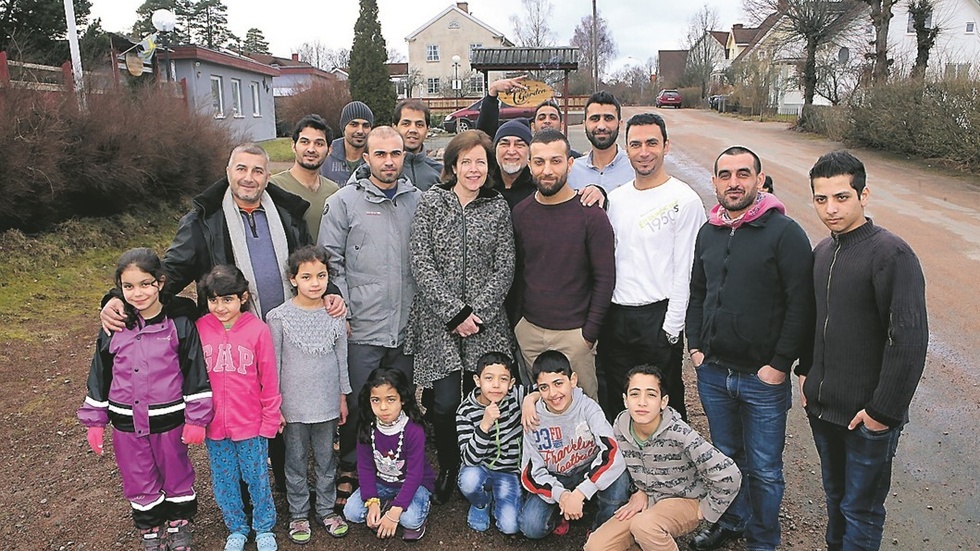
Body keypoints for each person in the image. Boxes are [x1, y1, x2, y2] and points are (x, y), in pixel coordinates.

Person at [686, 146, 814, 551]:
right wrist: (696, 348)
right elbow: (698, 291)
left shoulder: (785, 233)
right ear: (715, 182)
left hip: (762, 378)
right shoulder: (709, 232)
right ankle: (734, 521)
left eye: (743, 174)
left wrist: (779, 365)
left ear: (759, 180)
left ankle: (763, 539)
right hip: (713, 371)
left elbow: (801, 304)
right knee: (726, 459)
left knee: (764, 469)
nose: (734, 182)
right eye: (725, 175)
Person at [800, 150, 928, 551]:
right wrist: (806, 374)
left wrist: (881, 413)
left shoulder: (891, 254)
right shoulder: (822, 252)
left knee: (862, 510)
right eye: (821, 199)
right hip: (824, 411)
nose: (830, 208)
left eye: (841, 197)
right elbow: (814, 321)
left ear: (863, 195)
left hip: (866, 419)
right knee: (836, 504)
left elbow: (908, 340)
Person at [404, 129, 515, 503]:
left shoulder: (497, 207)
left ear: (489, 168)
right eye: (465, 161)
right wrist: (454, 313)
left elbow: (506, 266)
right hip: (440, 320)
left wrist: (477, 313)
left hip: (486, 323)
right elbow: (421, 261)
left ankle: (486, 464)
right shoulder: (432, 203)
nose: (473, 169)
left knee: (486, 396)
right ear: (453, 165)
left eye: (480, 162)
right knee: (446, 401)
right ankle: (452, 463)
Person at [78, 248, 213, 551]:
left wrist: (197, 418)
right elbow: (100, 373)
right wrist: (95, 421)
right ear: (119, 288)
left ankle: (179, 525)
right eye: (129, 286)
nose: (137, 293)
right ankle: (151, 529)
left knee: (176, 472)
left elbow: (195, 372)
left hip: (169, 420)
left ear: (160, 283)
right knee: (137, 476)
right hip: (125, 421)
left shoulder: (179, 325)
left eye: (145, 284)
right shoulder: (114, 328)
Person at [318, 126, 421, 511]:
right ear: (366, 158)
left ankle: (401, 462)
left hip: (406, 324)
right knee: (361, 401)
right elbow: (331, 260)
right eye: (381, 154)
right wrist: (341, 305)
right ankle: (351, 465)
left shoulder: (419, 201)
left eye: (396, 154)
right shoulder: (344, 203)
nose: (389, 161)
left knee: (401, 399)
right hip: (362, 325)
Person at [598, 113, 705, 422]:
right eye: (635, 144)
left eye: (651, 143)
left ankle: (670, 467)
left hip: (657, 317)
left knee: (662, 401)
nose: (643, 151)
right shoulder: (616, 200)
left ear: (666, 146)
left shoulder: (684, 200)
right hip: (616, 316)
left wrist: (671, 329)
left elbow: (687, 270)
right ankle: (622, 467)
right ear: (626, 149)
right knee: (617, 400)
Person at [584, 364, 741, 551]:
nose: (642, 402)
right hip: (647, 500)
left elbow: (729, 474)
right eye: (635, 394)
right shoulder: (620, 425)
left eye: (651, 394)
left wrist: (706, 510)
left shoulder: (680, 434)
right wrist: (637, 490)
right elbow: (622, 464)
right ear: (625, 400)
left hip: (684, 501)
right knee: (596, 545)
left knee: (644, 526)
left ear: (663, 401)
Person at [512, 129, 615, 400]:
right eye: (539, 162)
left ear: (570, 163)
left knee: (583, 413)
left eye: (556, 161)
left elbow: (605, 279)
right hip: (530, 332)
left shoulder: (591, 215)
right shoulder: (521, 213)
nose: (547, 170)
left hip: (575, 336)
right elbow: (518, 272)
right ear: (529, 165)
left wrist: (588, 335)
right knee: (540, 409)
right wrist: (518, 324)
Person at [266, 246, 351, 543]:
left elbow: (342, 358)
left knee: (327, 460)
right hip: (293, 406)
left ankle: (326, 510)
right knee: (296, 460)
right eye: (307, 276)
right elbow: (273, 365)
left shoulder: (335, 314)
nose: (315, 283)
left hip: (327, 403)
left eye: (321, 275)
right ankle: (299, 513)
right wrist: (274, 405)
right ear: (293, 280)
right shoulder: (277, 317)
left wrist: (343, 396)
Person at [196, 265, 282, 551]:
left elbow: (269, 380)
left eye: (228, 299)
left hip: (251, 424)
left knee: (256, 477)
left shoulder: (258, 330)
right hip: (214, 426)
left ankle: (264, 526)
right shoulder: (200, 328)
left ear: (243, 297)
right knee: (224, 481)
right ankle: (236, 527)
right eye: (214, 300)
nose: (220, 307)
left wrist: (270, 419)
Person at [519, 351, 629, 540]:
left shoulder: (588, 407)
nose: (553, 393)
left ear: (573, 380)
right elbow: (531, 473)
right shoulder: (533, 417)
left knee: (619, 478)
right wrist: (562, 496)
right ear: (537, 388)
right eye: (544, 387)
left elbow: (612, 453)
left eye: (558, 383)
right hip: (557, 477)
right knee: (531, 527)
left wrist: (581, 492)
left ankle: (600, 528)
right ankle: (563, 511)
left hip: (589, 469)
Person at [343, 368, 436, 541]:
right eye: (376, 400)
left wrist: (395, 513)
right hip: (382, 483)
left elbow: (415, 475)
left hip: (415, 485)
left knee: (410, 519)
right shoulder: (367, 427)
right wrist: (372, 502)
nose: (383, 407)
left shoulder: (414, 430)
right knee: (352, 512)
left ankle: (408, 512)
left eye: (391, 399)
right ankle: (385, 505)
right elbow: (365, 468)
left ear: (403, 399)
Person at [455, 352, 527, 534]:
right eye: (489, 378)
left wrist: (531, 401)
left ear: (511, 383)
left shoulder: (516, 396)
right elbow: (469, 458)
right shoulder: (466, 411)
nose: (496, 385)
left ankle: (500, 499)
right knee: (468, 481)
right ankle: (481, 502)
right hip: (481, 467)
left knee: (510, 527)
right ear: (477, 380)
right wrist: (484, 425)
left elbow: (540, 390)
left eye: (503, 379)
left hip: (508, 471)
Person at [269, 114, 341, 242]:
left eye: (319, 143)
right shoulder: (274, 187)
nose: (311, 149)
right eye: (305, 142)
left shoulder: (334, 192)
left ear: (329, 150)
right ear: (293, 146)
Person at [476, 76, 582, 156]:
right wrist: (492, 94)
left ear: (562, 125)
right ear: (532, 126)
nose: (547, 121)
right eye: (541, 117)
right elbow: (484, 135)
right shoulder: (522, 157)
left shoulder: (573, 158)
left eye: (553, 117)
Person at [568, 91, 634, 195]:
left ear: (620, 124)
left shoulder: (635, 168)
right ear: (584, 124)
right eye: (595, 119)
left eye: (608, 118)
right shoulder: (571, 171)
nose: (601, 126)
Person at [393, 99, 443, 191]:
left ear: (427, 130)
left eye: (419, 125)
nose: (413, 130)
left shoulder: (439, 173)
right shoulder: (384, 170)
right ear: (395, 128)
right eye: (406, 124)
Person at [321, 101, 374, 185]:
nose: (360, 131)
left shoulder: (377, 158)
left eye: (366, 126)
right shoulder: (326, 155)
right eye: (354, 125)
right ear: (344, 127)